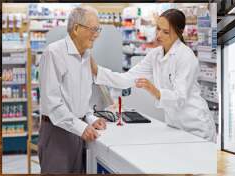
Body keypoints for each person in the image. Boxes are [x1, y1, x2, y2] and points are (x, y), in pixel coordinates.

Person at [91, 9, 216, 142]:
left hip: (196, 127)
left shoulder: (186, 56)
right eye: (158, 29)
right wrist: (96, 70)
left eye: (166, 32)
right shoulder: (155, 55)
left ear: (179, 33)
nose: (159, 35)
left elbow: (179, 99)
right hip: (175, 126)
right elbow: (126, 78)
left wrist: (154, 90)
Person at [39, 6, 107, 174]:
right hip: (57, 133)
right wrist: (80, 127)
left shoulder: (86, 56)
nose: (97, 34)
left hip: (79, 130)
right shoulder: (54, 53)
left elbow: (83, 99)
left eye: (98, 29)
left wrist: (90, 118)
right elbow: (52, 103)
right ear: (76, 28)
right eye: (93, 29)